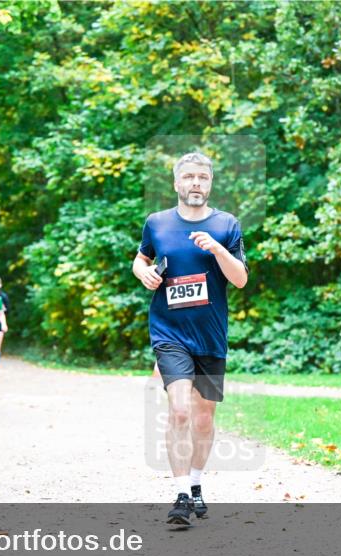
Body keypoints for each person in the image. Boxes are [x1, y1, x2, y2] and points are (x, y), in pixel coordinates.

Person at [131, 152, 248, 526]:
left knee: (203, 417)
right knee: (179, 410)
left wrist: (217, 248)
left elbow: (241, 278)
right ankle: (181, 494)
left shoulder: (227, 224)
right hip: (169, 333)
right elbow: (141, 259)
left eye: (203, 178)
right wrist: (144, 274)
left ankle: (197, 483)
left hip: (211, 335)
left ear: (210, 183)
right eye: (189, 177)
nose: (196, 183)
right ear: (177, 183)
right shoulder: (158, 223)